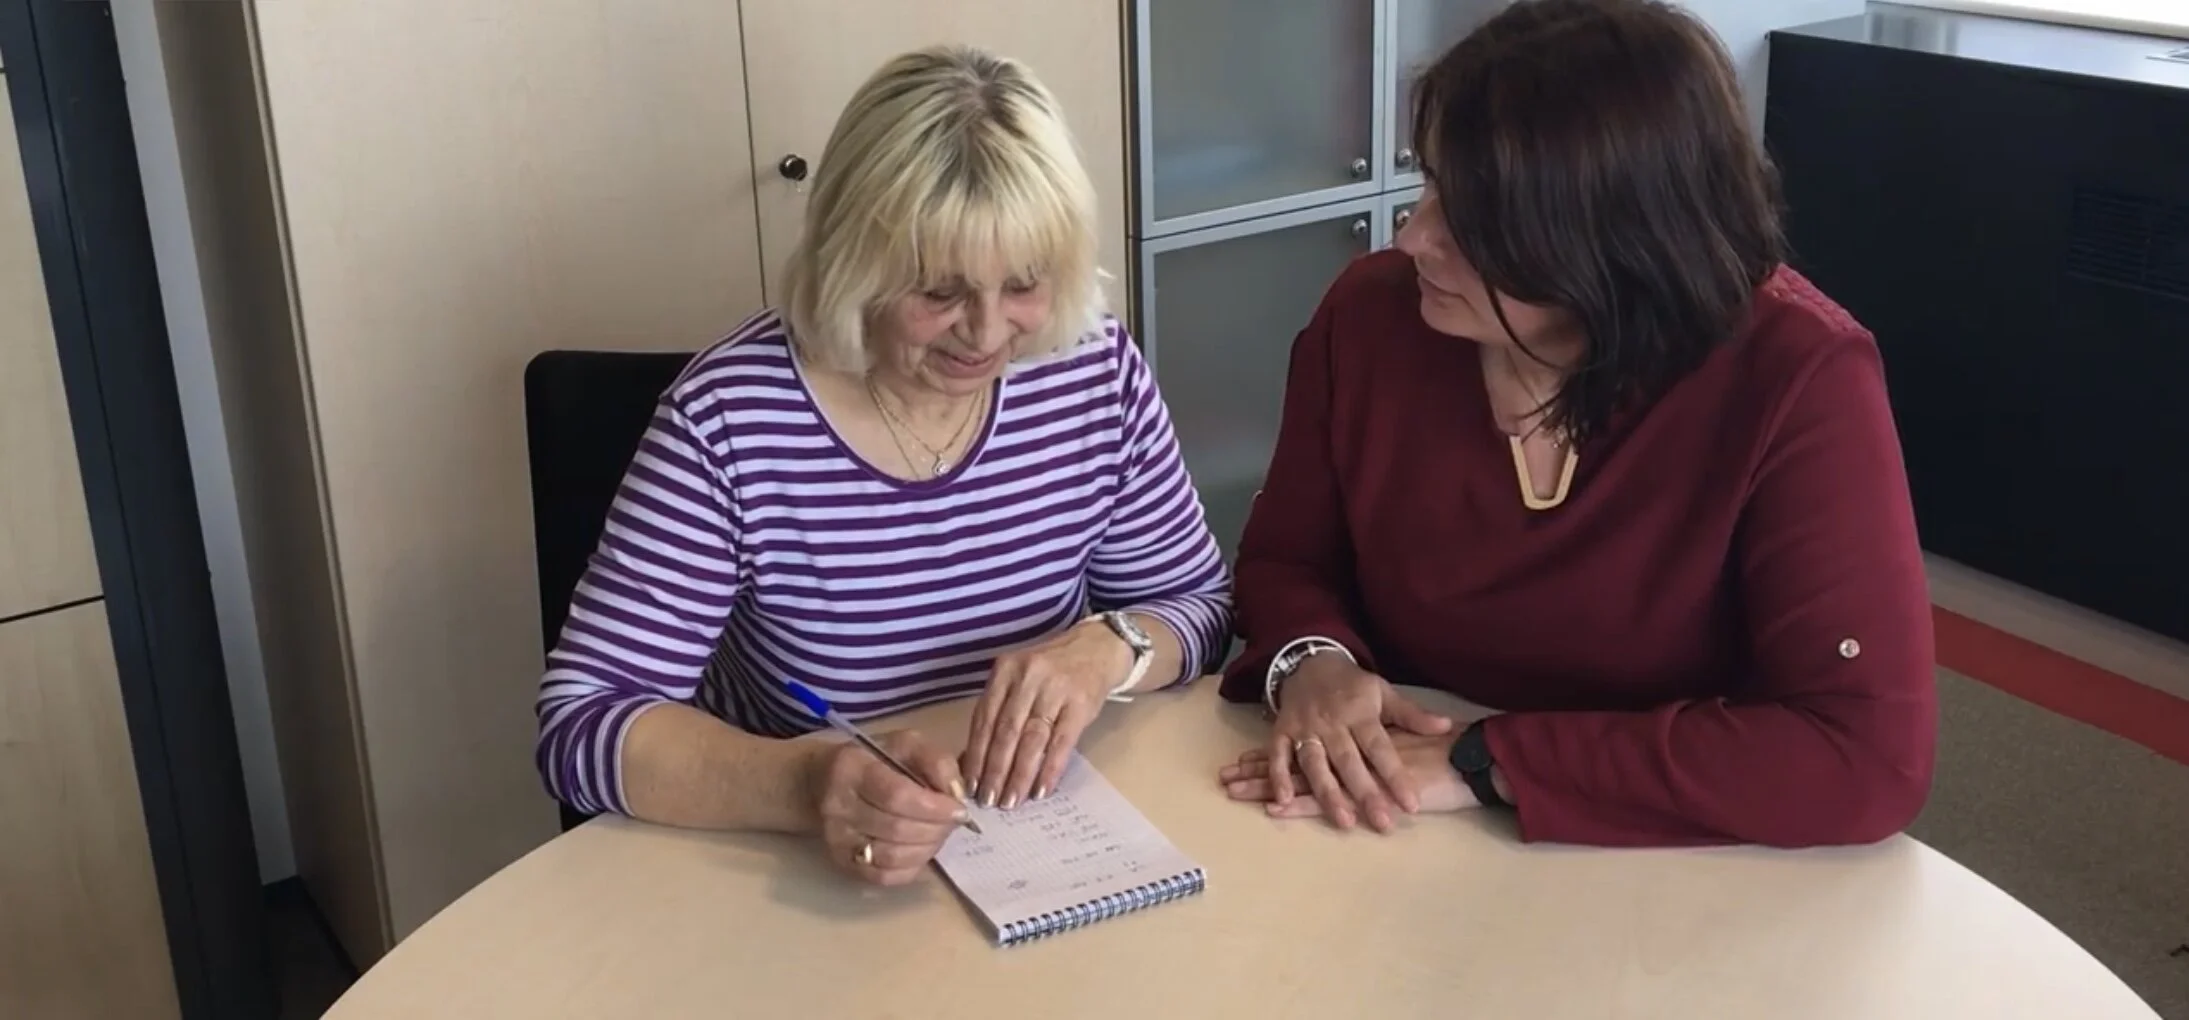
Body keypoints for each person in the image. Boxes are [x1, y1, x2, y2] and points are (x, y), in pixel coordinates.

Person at [1215, 0, 1936, 849]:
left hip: (1654, 844)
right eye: (1431, 184)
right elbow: (1287, 559)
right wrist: (1313, 662)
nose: (1413, 237)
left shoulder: (1796, 372)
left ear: (1615, 237)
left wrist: (1486, 762)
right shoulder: (1371, 316)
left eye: (1474, 219)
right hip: (1390, 817)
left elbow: (1862, 754)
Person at [536, 46, 1231, 885]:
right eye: (938, 292)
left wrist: (1112, 645)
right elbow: (580, 724)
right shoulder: (729, 418)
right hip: (803, 868)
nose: (986, 334)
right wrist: (805, 784)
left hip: (1037, 837)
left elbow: (1199, 607)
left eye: (1024, 283)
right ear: (852, 263)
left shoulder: (1090, 370)